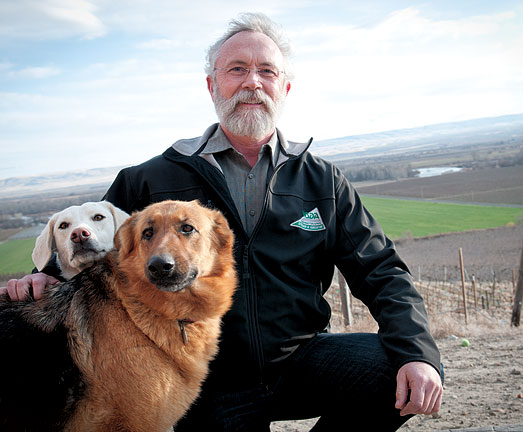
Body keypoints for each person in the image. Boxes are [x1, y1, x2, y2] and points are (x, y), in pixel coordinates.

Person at [6, 12, 442, 431]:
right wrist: (44, 276)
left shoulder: (321, 181)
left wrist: (418, 353)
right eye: (237, 69)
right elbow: (95, 238)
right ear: (212, 85)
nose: (252, 82)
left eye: (266, 71)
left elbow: (381, 270)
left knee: (400, 370)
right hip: (206, 380)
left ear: (285, 87)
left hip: (302, 358)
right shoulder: (151, 180)